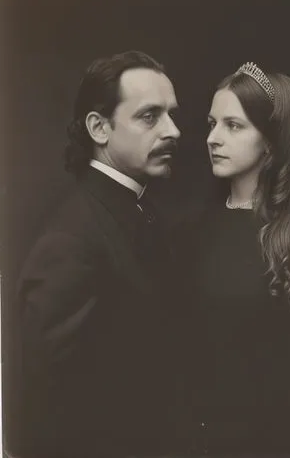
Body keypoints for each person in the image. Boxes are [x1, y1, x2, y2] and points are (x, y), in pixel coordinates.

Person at [174, 62, 290, 455]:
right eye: (212, 123)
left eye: (234, 125)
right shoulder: (191, 231)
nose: (213, 138)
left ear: (272, 141)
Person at [11, 51, 181, 458]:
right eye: (149, 116)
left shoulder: (140, 211)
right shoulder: (70, 240)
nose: (173, 130)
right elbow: (41, 413)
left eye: (172, 114)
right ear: (99, 128)